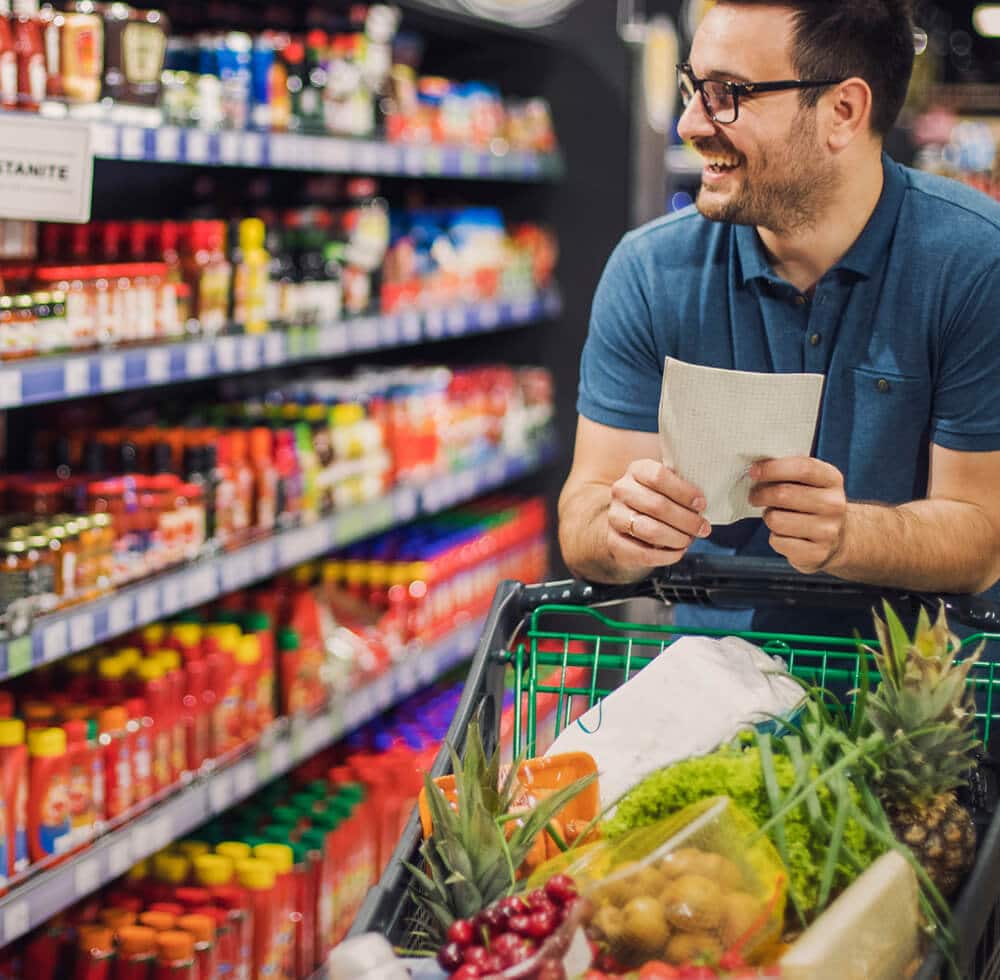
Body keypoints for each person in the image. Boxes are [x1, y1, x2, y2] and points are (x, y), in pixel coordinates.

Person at [558, 0, 1000, 636]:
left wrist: (850, 533)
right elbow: (583, 513)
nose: (689, 123)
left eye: (727, 94)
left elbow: (982, 535)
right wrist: (621, 527)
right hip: (710, 707)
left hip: (914, 709)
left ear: (842, 112)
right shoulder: (651, 269)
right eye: (692, 89)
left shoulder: (972, 263)